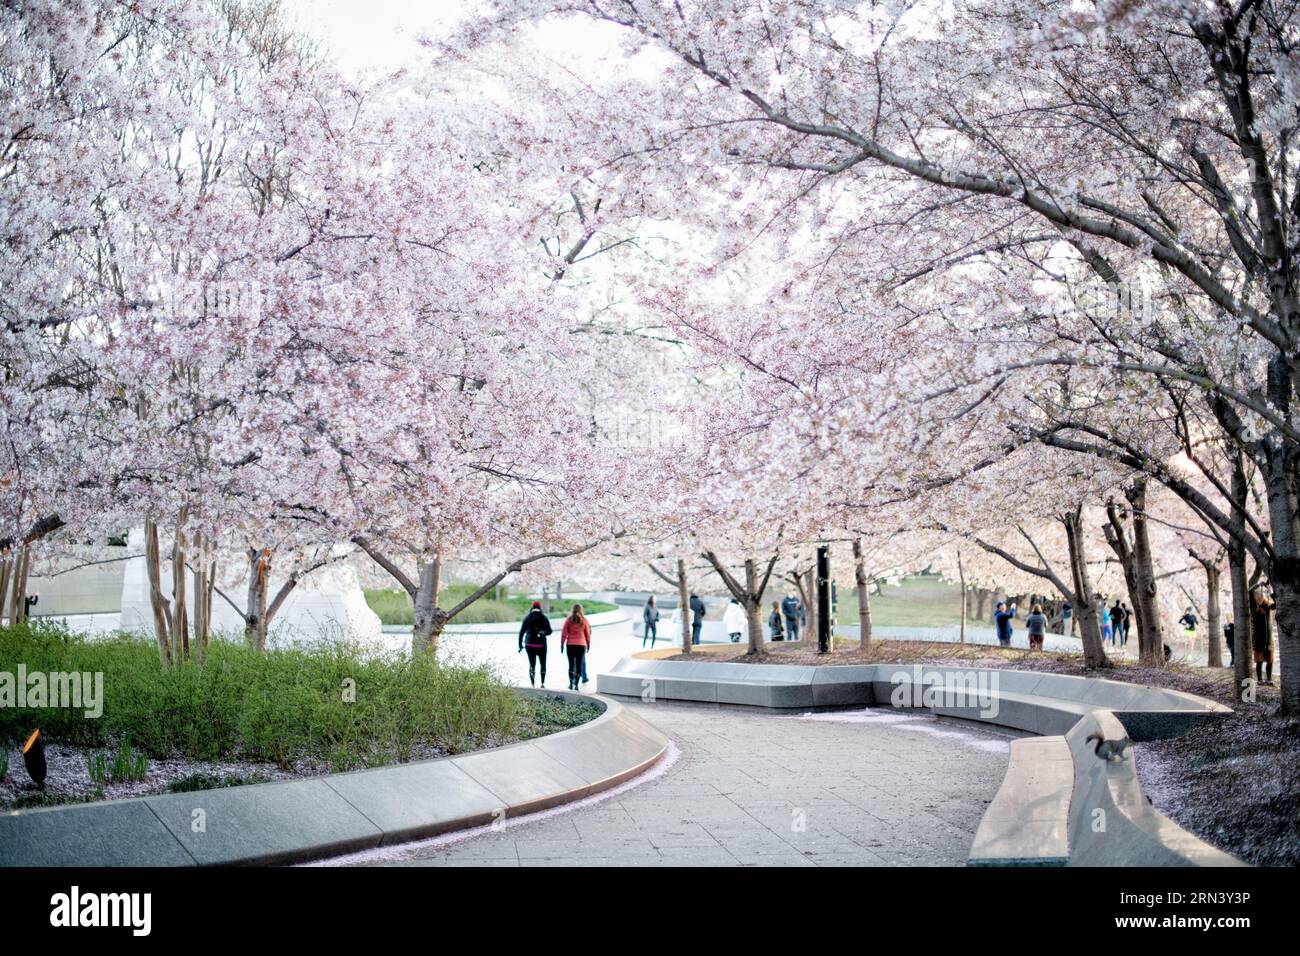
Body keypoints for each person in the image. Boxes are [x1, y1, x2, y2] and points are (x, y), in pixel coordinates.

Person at [517, 600, 552, 687]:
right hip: (541, 645)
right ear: (540, 607)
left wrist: (520, 645)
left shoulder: (527, 618)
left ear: (532, 607)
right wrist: (543, 633)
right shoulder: (544, 618)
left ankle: (533, 684)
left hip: (529, 644)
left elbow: (521, 633)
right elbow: (550, 631)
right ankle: (542, 683)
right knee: (543, 664)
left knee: (532, 665)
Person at [560, 603, 591, 692]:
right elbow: (588, 635)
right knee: (578, 666)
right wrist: (588, 645)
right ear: (581, 610)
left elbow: (564, 634)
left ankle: (570, 684)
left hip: (570, 645)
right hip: (581, 645)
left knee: (571, 665)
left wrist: (562, 645)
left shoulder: (568, 620)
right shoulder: (584, 620)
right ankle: (576, 685)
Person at [1250, 587, 1275, 685]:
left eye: (1261, 596)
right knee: (1259, 660)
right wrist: (1257, 585)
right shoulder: (1253, 607)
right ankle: (1259, 680)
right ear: (1255, 597)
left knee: (1270, 660)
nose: (1259, 598)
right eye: (1257, 596)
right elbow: (1249, 592)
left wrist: (1270, 591)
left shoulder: (1267, 605)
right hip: (1258, 638)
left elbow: (1277, 604)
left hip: (1269, 638)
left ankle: (1269, 679)